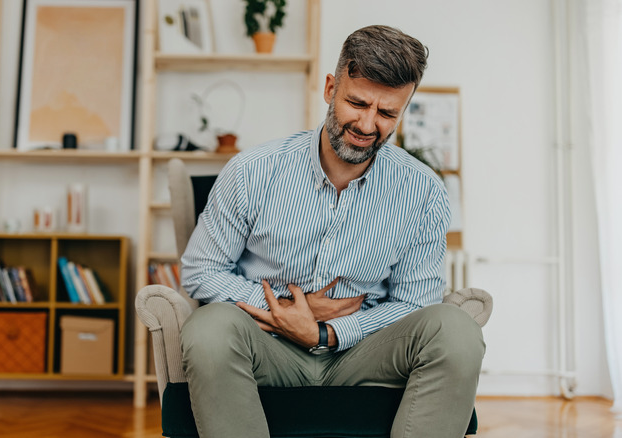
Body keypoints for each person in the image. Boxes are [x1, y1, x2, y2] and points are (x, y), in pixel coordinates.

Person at [179, 25, 485, 438]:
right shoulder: (252, 171)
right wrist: (288, 309)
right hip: (267, 345)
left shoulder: (424, 191)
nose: (367, 123)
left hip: (366, 352)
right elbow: (201, 272)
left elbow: (417, 301)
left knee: (457, 330)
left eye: (387, 112)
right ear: (329, 88)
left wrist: (330, 331)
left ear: (403, 110)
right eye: (356, 103)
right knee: (208, 328)